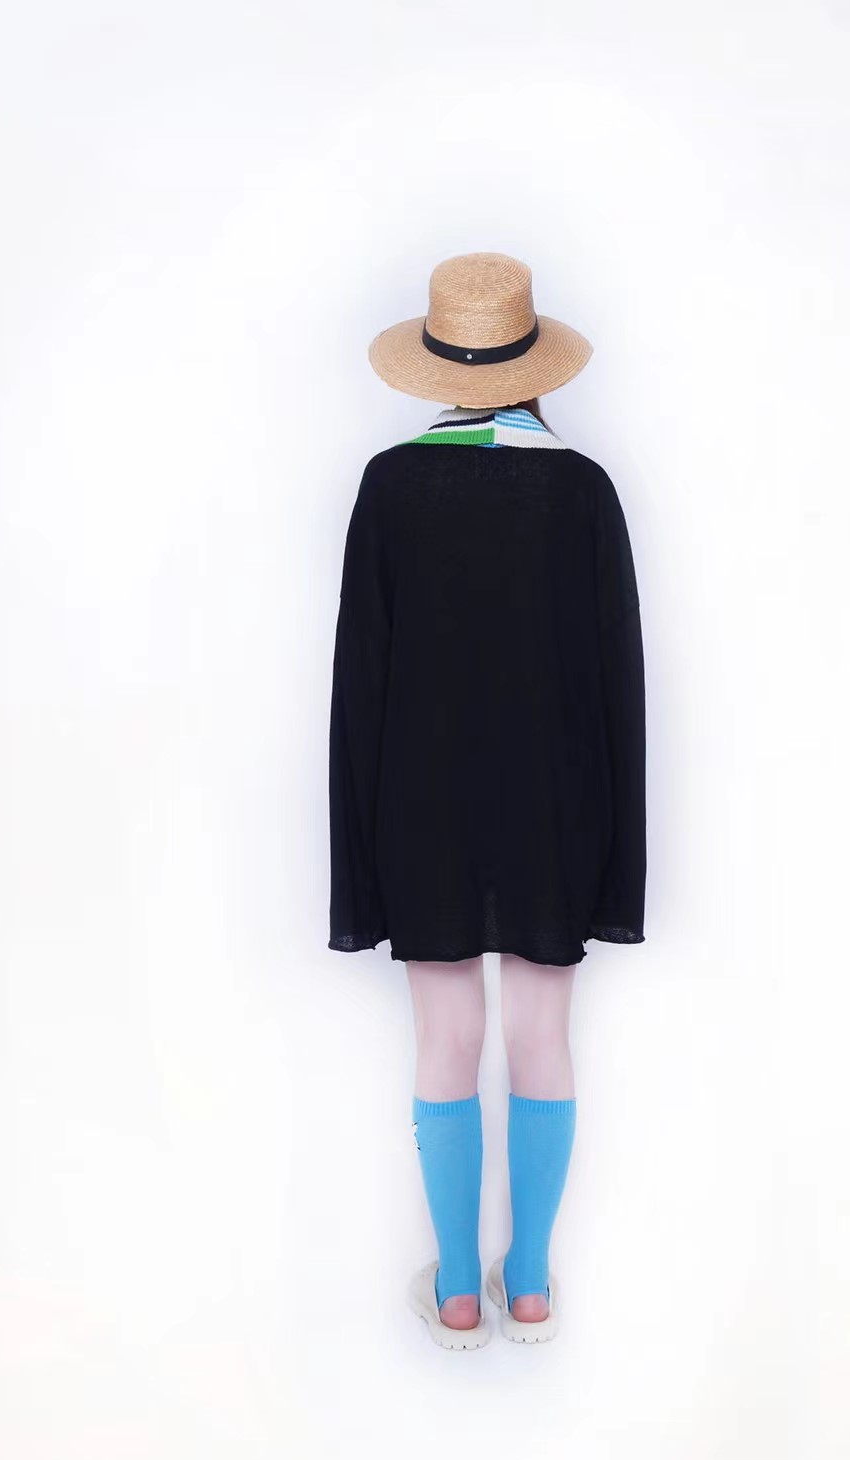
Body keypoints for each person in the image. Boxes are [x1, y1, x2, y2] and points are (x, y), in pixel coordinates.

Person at [328, 252, 647, 1349]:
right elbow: (618, 682)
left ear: (434, 370)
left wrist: (359, 850)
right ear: (533, 366)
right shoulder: (584, 491)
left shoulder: (389, 487)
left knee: (446, 1034)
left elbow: (361, 682)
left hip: (421, 798)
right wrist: (617, 850)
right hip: (557, 800)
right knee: (543, 1035)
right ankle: (534, 1286)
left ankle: (459, 1290)